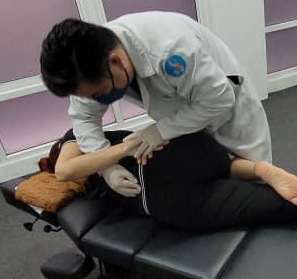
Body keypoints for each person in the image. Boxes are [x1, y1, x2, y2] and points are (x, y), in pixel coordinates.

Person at [40, 12, 272, 200]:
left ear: (115, 61)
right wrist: (107, 167)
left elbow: (218, 100)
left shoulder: (171, 50)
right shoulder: (83, 68)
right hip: (180, 112)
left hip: (225, 105)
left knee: (256, 177)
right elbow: (85, 118)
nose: (97, 100)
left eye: (100, 92)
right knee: (209, 172)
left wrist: (160, 131)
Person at [51, 129, 297, 233]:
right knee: (229, 167)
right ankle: (260, 169)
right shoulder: (104, 133)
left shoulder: (74, 139)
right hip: (191, 147)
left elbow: (64, 172)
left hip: (171, 195)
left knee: (296, 207)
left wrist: (119, 155)